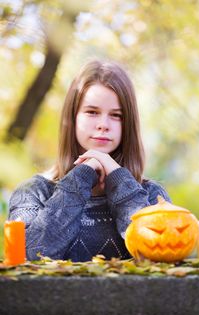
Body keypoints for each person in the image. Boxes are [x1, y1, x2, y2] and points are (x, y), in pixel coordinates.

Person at [8, 60, 170, 262]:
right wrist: (81, 176)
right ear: (73, 118)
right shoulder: (33, 193)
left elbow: (162, 261)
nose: (103, 125)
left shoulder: (152, 196)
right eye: (92, 112)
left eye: (116, 115)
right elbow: (30, 258)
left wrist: (119, 180)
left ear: (127, 124)